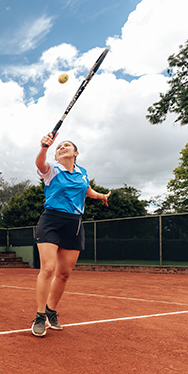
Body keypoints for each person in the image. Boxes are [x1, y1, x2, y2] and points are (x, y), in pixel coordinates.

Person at [31, 133, 111, 337]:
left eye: (67, 146)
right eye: (59, 147)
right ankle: (40, 316)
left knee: (64, 273)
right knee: (48, 268)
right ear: (56, 156)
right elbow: (40, 164)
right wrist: (44, 148)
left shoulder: (82, 172)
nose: (62, 147)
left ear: (76, 153)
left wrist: (101, 196)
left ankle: (51, 311)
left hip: (74, 223)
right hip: (51, 221)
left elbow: (87, 190)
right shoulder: (52, 170)